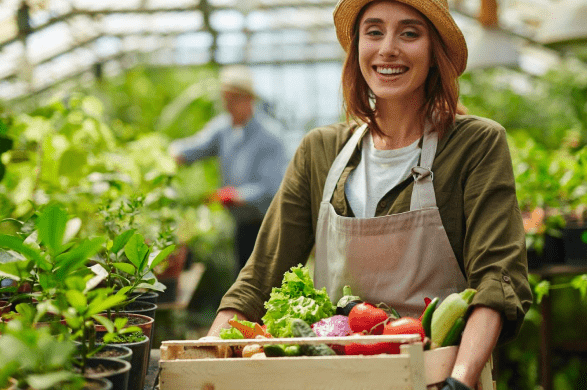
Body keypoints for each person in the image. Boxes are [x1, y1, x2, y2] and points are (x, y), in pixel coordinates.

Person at [205, 0, 532, 388]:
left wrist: (459, 380)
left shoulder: (474, 145)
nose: (388, 48)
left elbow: (498, 278)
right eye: (373, 32)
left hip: (437, 375)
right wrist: (207, 355)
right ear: (357, 47)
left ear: (434, 51)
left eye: (409, 33)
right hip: (332, 377)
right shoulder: (320, 151)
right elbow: (260, 278)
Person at [169, 65, 287, 272]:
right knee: (243, 276)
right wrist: (169, 153)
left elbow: (272, 186)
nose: (227, 106)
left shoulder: (270, 137)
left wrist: (236, 195)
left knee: (264, 280)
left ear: (248, 100)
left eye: (233, 100)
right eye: (225, 99)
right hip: (242, 223)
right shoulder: (224, 129)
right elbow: (196, 147)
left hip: (267, 225)